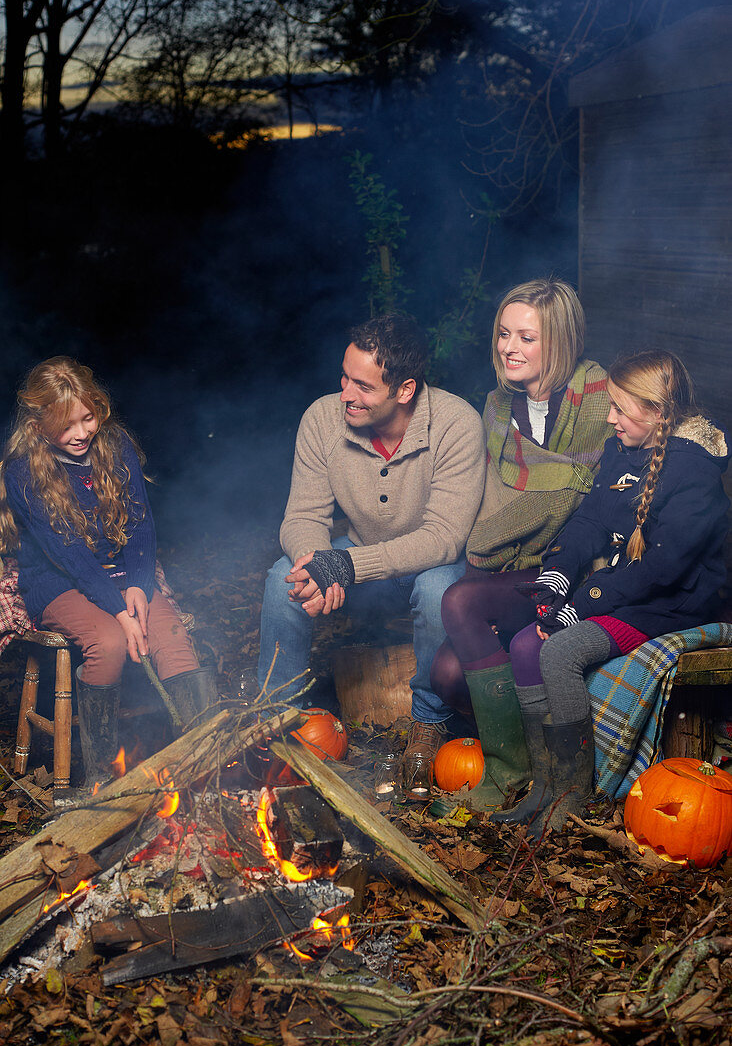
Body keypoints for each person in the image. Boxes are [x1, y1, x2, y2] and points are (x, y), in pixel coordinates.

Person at [496, 350, 729, 834]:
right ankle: (545, 784)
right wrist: (555, 575)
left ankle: (573, 794)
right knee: (523, 645)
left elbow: (663, 570)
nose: (610, 418)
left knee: (560, 652)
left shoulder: (695, 475)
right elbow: (591, 522)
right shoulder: (620, 450)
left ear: (659, 413)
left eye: (621, 409)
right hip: (629, 587)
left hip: (673, 604)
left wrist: (580, 606)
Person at [257, 313, 486, 788]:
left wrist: (344, 565)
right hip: (357, 558)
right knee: (283, 578)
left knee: (442, 586)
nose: (346, 393)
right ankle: (275, 723)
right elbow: (303, 516)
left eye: (362, 386)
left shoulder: (456, 423)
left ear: (404, 390)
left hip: (428, 564)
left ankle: (429, 723)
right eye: (344, 377)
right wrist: (319, 563)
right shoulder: (322, 418)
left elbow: (445, 536)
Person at [430, 279, 612, 808]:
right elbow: (493, 503)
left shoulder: (597, 397)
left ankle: (509, 773)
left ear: (561, 341)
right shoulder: (494, 407)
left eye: (527, 337)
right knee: (444, 673)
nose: (510, 347)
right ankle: (526, 758)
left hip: (576, 568)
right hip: (511, 568)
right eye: (504, 334)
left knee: (458, 600)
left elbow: (587, 498)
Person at [0, 357, 216, 793]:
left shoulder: (114, 447)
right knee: (111, 641)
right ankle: (103, 777)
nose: (81, 433)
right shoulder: (24, 471)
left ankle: (208, 763)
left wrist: (137, 583)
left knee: (171, 636)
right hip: (59, 580)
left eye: (88, 417)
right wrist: (119, 611)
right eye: (66, 426)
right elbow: (69, 555)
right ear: (38, 424)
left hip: (123, 573)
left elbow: (140, 525)